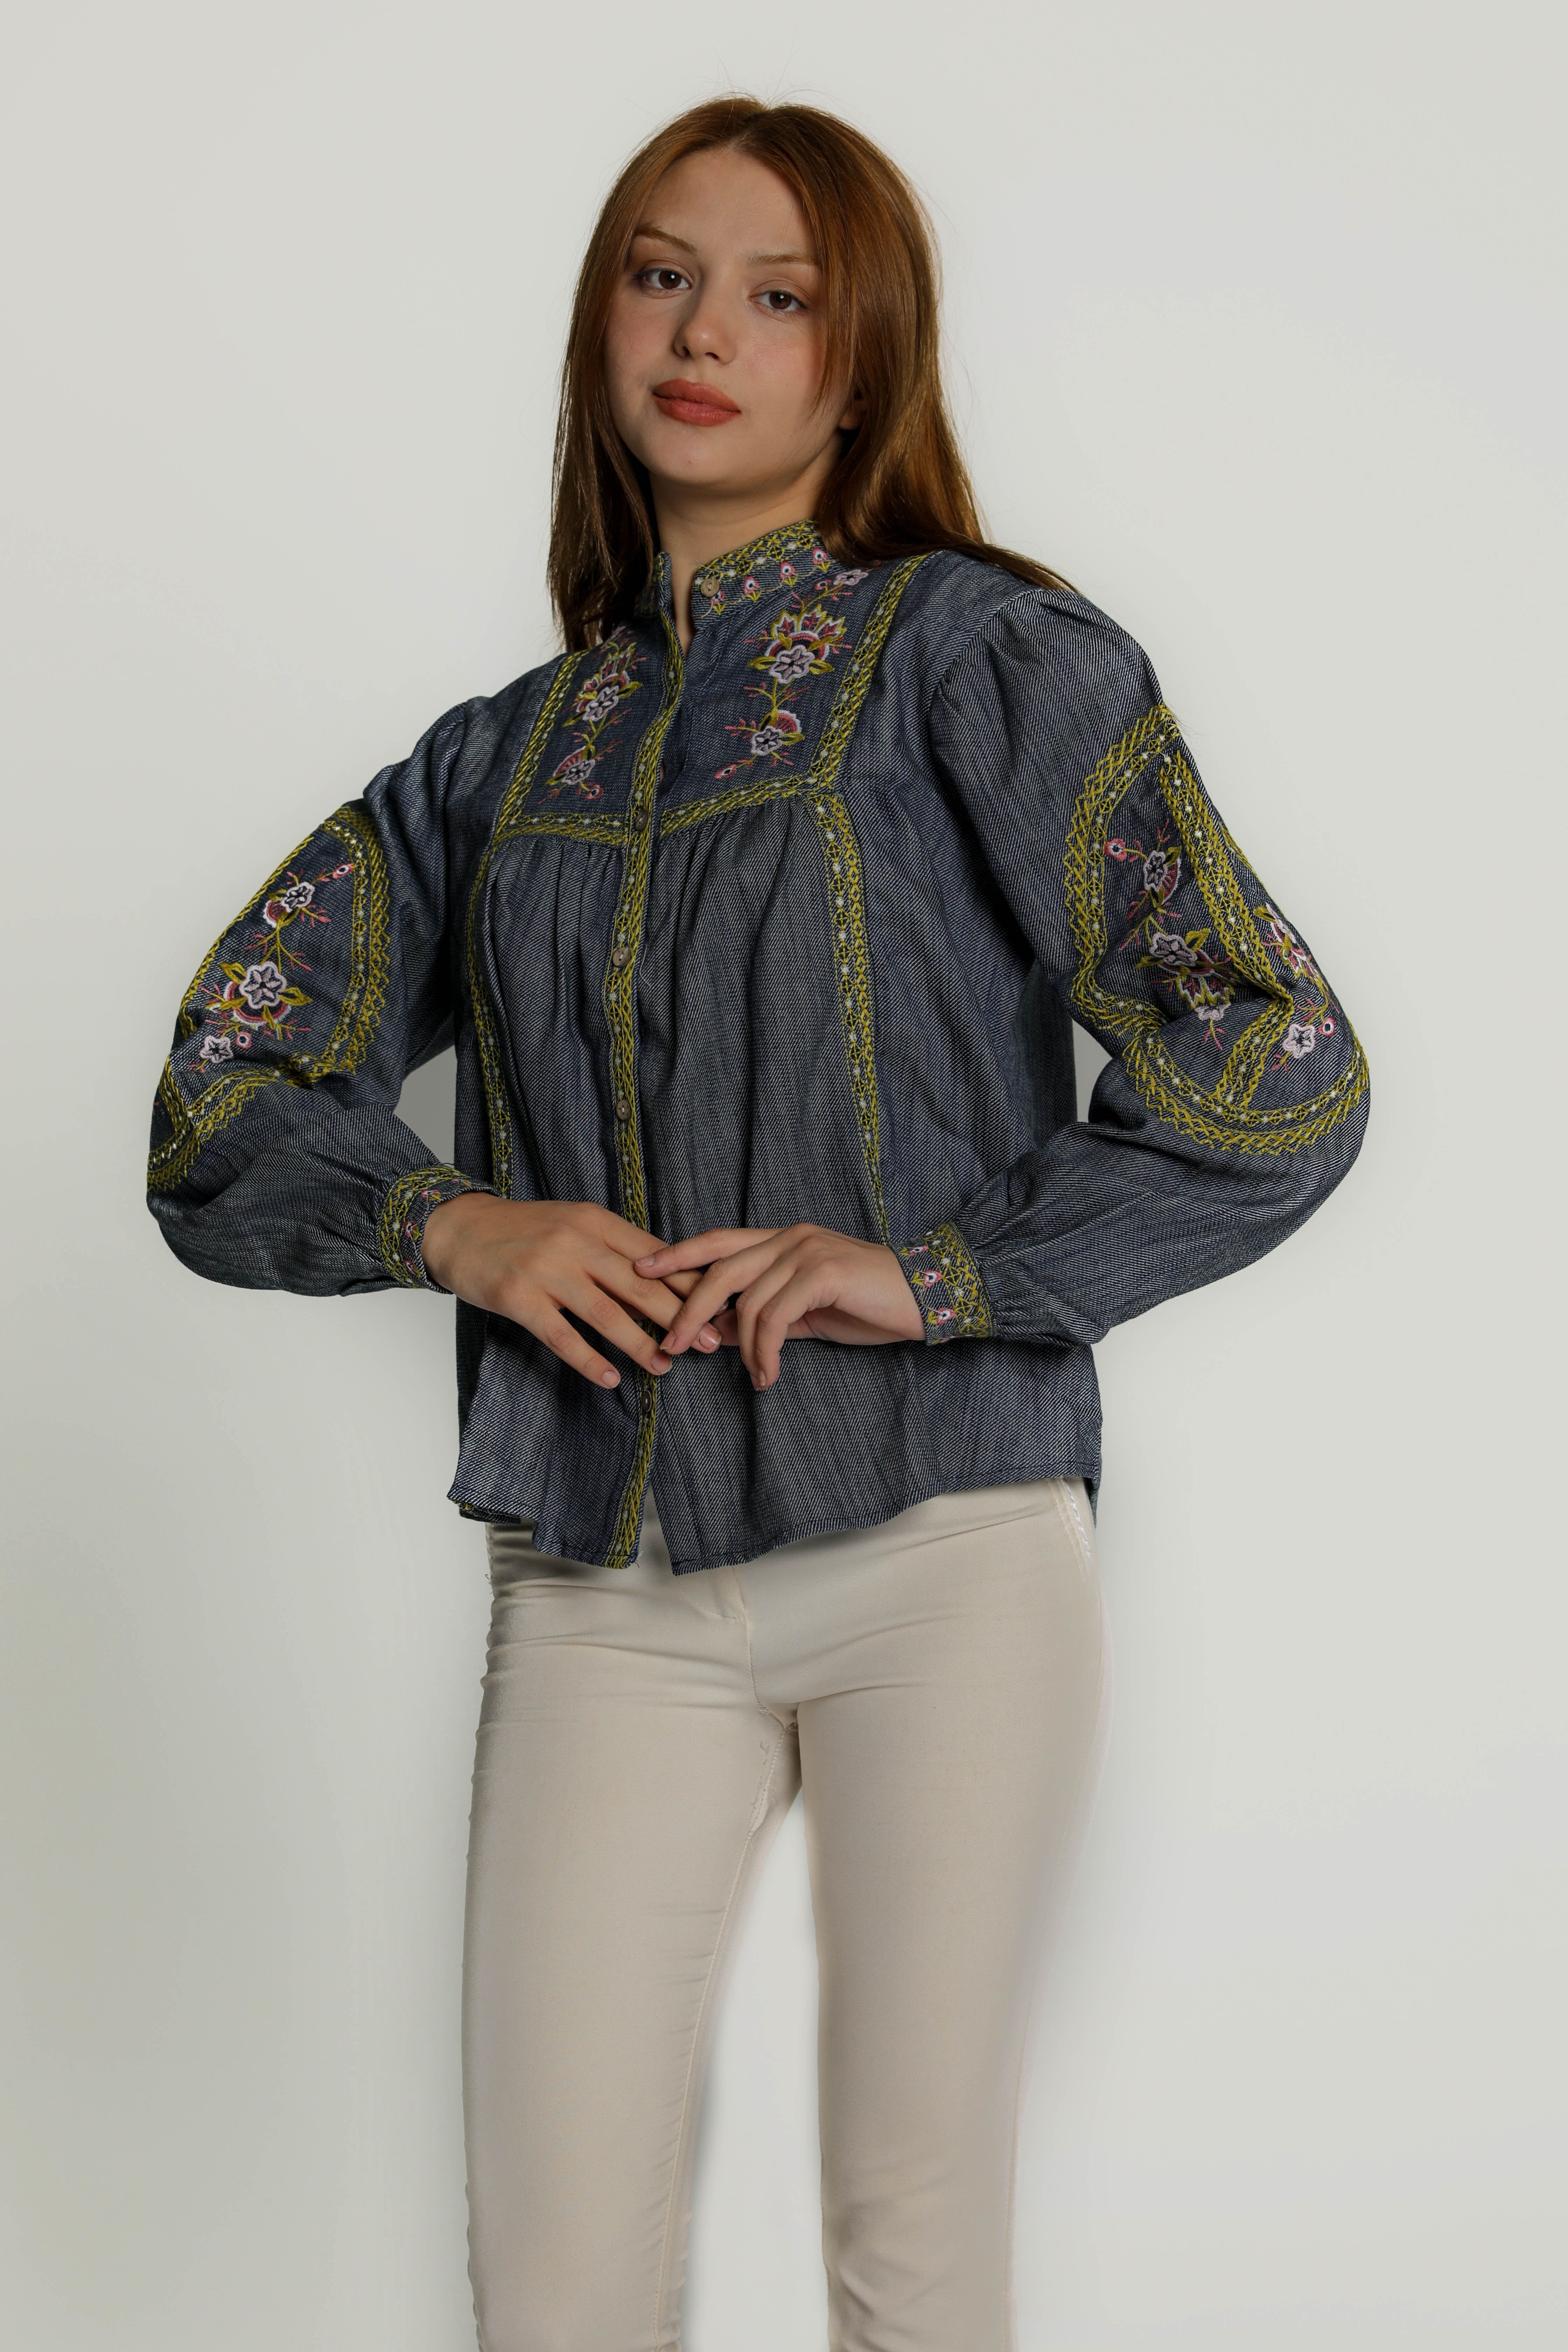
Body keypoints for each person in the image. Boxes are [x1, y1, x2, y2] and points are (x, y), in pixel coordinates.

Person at [146, 94, 1368, 2352]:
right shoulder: (496, 761)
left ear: (863, 357)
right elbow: (225, 1083)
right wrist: (457, 1224)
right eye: (659, 273)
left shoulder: (983, 659)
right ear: (599, 320)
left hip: (944, 1546)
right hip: (602, 1575)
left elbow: (1271, 1056)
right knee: (556, 2279)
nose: (703, 332)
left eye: (779, 295)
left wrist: (940, 1271)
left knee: (913, 2246)